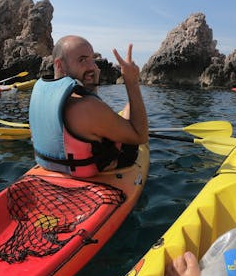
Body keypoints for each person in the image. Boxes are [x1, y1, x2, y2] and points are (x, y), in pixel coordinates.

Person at [28, 35, 148, 177]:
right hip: (92, 168)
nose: (92, 66)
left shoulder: (40, 91)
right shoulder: (87, 107)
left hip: (50, 164)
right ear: (60, 65)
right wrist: (132, 82)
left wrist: (91, 86)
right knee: (129, 108)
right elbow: (141, 136)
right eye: (83, 60)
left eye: (92, 59)